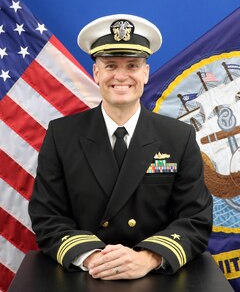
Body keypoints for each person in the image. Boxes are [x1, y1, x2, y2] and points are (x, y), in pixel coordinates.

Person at [28, 14, 213, 280]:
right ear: (96, 73)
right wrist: (93, 257)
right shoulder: (62, 135)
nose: (121, 76)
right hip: (86, 275)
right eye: (111, 65)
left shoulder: (178, 137)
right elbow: (47, 216)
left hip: (156, 276)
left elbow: (196, 218)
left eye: (133, 65)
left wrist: (148, 258)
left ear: (145, 73)